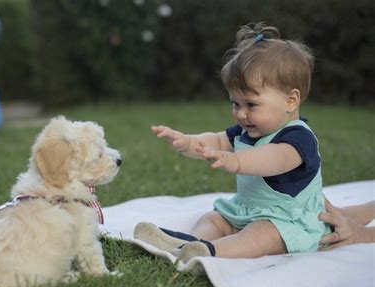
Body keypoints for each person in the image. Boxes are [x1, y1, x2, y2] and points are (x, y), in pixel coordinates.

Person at [134, 22, 330, 262]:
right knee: (214, 219)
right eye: (236, 104)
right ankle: (190, 243)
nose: (241, 114)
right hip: (245, 210)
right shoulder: (249, 130)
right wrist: (188, 142)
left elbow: (272, 158)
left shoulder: (298, 138)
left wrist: (236, 161)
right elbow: (216, 141)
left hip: (286, 220)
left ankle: (212, 253)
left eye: (251, 105)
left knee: (262, 235)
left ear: (290, 100)